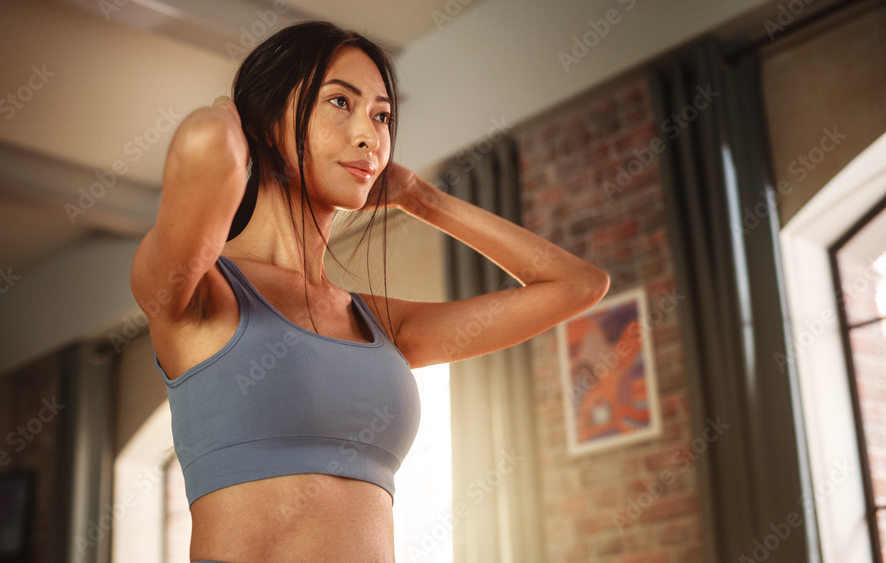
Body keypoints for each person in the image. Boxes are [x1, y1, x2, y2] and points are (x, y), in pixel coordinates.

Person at [130, 20, 609, 563]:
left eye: (381, 115)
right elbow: (206, 144)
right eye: (340, 102)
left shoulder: (381, 325)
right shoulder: (198, 294)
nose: (370, 135)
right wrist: (232, 108)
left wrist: (420, 197)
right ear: (264, 124)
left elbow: (577, 286)